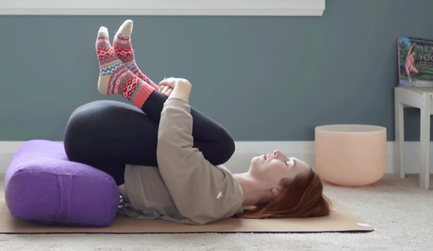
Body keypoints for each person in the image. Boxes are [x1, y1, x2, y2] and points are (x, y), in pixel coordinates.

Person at [64, 20, 331, 225]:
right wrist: (175, 101)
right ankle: (130, 77)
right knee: (217, 148)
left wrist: (182, 93)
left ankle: (126, 80)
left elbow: (173, 150)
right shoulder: (225, 189)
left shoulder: (220, 202)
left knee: (221, 146)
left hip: (92, 141)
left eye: (287, 163)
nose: (278, 153)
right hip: (98, 137)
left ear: (278, 192)